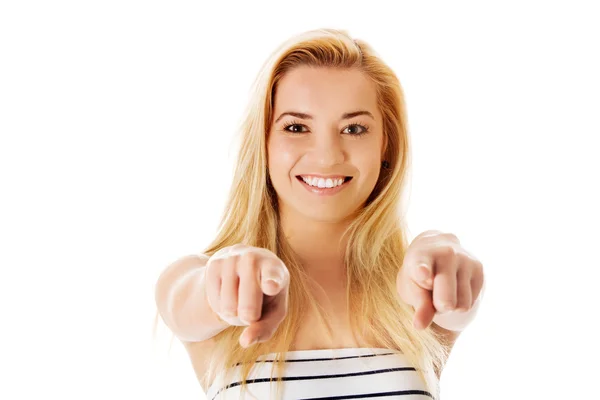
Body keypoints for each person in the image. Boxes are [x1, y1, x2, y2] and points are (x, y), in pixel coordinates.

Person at [154, 28, 485, 400]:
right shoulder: (195, 279)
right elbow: (188, 300)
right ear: (263, 142)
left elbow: (457, 302)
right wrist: (225, 283)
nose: (327, 156)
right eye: (296, 127)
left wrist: (448, 266)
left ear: (385, 144)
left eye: (354, 128)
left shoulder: (422, 288)